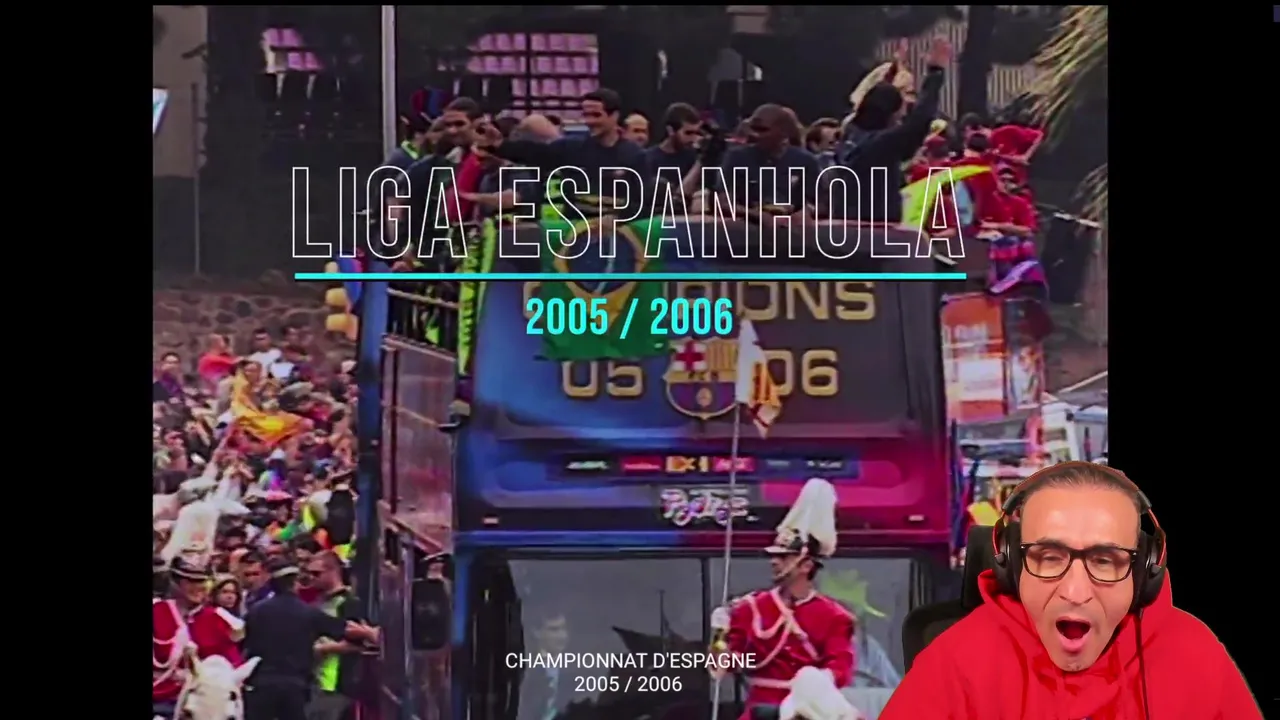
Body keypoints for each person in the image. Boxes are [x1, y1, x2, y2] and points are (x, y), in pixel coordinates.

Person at [880, 462, 1262, 720]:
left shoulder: (1195, 654)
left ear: (1145, 570)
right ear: (1011, 564)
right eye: (1048, 557)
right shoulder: (955, 661)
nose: (1076, 592)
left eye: (1105, 560)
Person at [710, 478, 856, 720]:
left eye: (784, 557)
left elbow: (840, 668)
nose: (774, 562)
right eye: (775, 556)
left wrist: (812, 686)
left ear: (805, 565)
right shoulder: (750, 608)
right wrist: (720, 635)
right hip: (760, 713)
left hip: (808, 713)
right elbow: (721, 667)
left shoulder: (835, 617)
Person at [243, 558, 379, 720]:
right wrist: (371, 634)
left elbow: (244, 642)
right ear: (295, 584)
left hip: (261, 684)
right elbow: (346, 631)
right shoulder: (308, 612)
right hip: (296, 686)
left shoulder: (256, 611)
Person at [835, 37, 949, 223]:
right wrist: (935, 75)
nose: (902, 116)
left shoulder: (850, 134)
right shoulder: (879, 145)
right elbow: (917, 124)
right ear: (889, 113)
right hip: (874, 230)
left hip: (846, 225)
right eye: (901, 111)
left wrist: (896, 68)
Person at [305, 551, 366, 720]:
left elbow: (360, 645)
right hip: (315, 681)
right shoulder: (318, 603)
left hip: (336, 683)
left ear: (333, 571)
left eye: (316, 573)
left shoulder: (349, 603)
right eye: (309, 573)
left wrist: (324, 648)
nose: (311, 578)